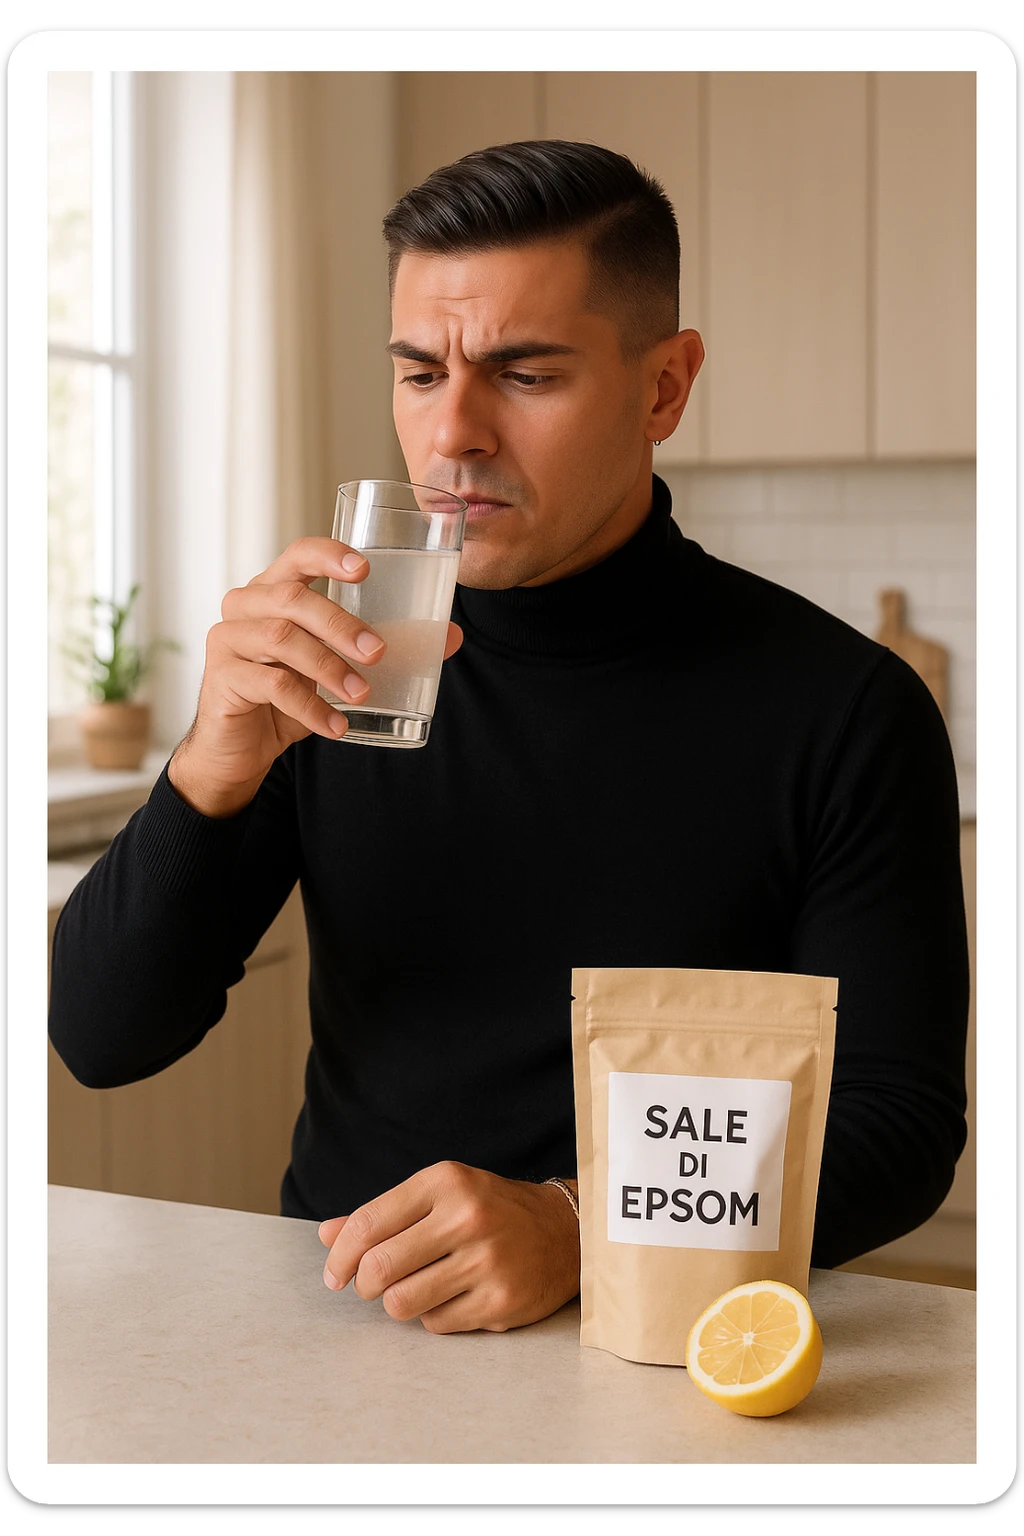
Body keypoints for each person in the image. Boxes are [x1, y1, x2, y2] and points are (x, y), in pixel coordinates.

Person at [48, 139, 970, 1335]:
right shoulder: (338, 663)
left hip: (671, 1335)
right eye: (419, 371)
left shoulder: (844, 707)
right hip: (347, 1328)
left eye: (524, 375)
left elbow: (897, 1124)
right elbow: (102, 1040)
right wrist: (207, 771)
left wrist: (586, 1224)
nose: (453, 436)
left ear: (663, 388)